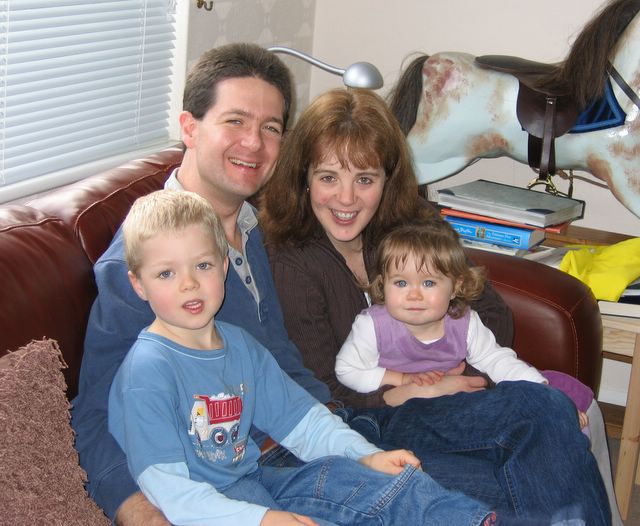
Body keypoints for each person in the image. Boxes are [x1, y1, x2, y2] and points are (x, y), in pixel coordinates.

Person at [72, 43, 609, 526]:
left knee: (546, 427)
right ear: (190, 128)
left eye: (271, 127)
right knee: (516, 495)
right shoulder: (150, 261)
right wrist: (138, 511)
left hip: (327, 431)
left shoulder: (255, 226)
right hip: (273, 458)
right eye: (235, 120)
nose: (253, 144)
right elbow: (97, 407)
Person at [259, 87, 614, 525]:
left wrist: (451, 374)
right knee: (546, 434)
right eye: (329, 177)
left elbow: (493, 315)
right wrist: (410, 389)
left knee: (542, 439)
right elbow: (326, 389)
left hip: (451, 401)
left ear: (388, 179)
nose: (346, 199)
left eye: (365, 179)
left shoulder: (415, 224)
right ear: (304, 178)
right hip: (372, 424)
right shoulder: (291, 260)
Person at [110, 189, 503, 526]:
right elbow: (168, 490)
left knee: (368, 478)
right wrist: (262, 519)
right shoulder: (147, 372)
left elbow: (304, 423)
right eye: (166, 274)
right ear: (138, 284)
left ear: (224, 266)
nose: (189, 283)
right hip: (203, 508)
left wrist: (366, 457)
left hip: (256, 479)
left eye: (203, 265)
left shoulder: (240, 345)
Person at [334, 222, 590, 430]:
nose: (413, 295)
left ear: (455, 287)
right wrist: (400, 379)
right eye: (401, 283)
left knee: (555, 388)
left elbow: (495, 359)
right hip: (399, 415)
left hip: (455, 404)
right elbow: (347, 370)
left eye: (428, 283)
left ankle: (551, 406)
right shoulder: (373, 325)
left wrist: (542, 390)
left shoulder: (463, 321)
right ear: (383, 285)